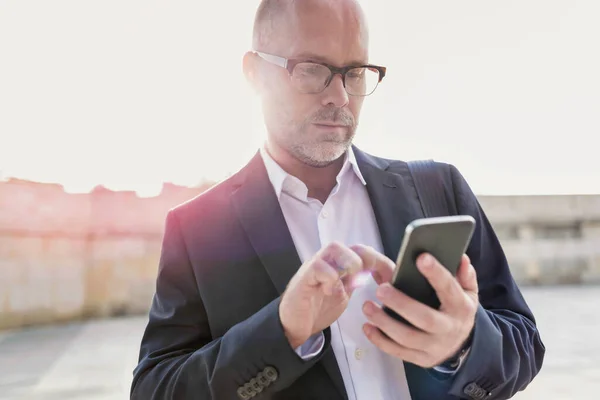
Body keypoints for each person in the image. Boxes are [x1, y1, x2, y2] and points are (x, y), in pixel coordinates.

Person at [130, 0, 545, 399]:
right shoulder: (197, 228)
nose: (340, 97)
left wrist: (466, 342)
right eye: (311, 70)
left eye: (356, 72)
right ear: (255, 73)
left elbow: (525, 346)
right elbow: (155, 390)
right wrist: (282, 331)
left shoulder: (439, 188)